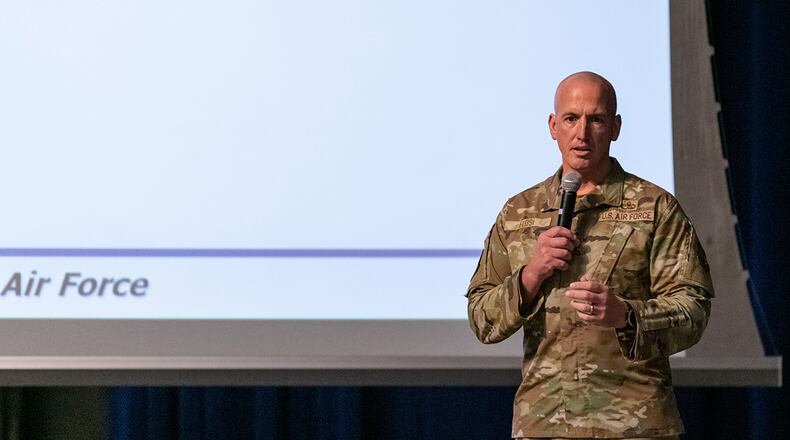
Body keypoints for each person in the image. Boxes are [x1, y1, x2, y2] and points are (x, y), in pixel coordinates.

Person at [466, 72, 714, 439]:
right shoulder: (519, 213)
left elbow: (694, 311)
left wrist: (625, 315)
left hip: (635, 426)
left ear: (615, 128)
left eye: (595, 119)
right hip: (545, 424)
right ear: (553, 127)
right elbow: (481, 320)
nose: (582, 133)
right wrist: (532, 274)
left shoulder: (655, 208)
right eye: (570, 118)